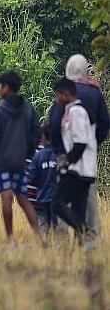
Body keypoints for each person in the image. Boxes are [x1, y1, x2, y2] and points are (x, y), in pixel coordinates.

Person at [48, 54, 109, 242]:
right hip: (87, 159)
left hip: (68, 156)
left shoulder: (66, 92)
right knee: (86, 199)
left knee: (61, 200)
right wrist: (93, 143)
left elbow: (55, 123)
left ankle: (62, 238)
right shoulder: (94, 91)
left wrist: (62, 151)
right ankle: (89, 238)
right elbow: (105, 123)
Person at [0, 71, 41, 243]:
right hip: (20, 162)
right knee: (23, 199)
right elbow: (36, 133)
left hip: (2, 163)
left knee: (6, 198)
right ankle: (38, 235)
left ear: (6, 88)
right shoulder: (28, 109)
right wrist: (28, 153)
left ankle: (10, 238)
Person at [51, 77, 97, 245]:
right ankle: (86, 250)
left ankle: (86, 233)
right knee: (78, 210)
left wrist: (68, 162)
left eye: (57, 96)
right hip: (86, 170)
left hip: (79, 169)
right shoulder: (75, 111)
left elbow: (80, 142)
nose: (57, 100)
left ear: (65, 94)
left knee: (56, 202)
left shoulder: (77, 112)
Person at [28, 122, 64, 236]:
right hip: (58, 198)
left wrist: (40, 185)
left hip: (42, 198)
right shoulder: (61, 155)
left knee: (42, 227)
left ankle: (42, 249)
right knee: (58, 226)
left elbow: (32, 177)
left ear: (43, 136)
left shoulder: (38, 156)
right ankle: (61, 249)